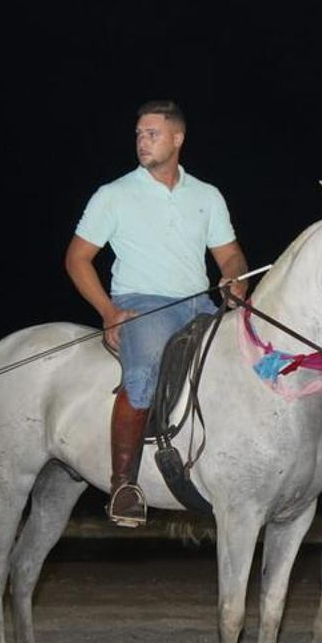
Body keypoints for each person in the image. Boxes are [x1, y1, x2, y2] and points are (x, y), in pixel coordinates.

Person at [65, 100, 248, 527]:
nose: (142, 142)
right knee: (144, 373)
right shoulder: (114, 195)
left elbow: (232, 256)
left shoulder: (207, 195)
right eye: (139, 135)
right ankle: (124, 484)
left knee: (251, 355)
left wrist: (236, 278)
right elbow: (77, 259)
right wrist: (110, 312)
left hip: (200, 303)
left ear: (177, 138)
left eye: (152, 134)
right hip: (144, 303)